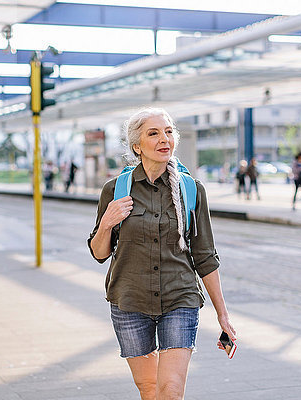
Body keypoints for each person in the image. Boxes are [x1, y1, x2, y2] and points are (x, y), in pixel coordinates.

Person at [88, 108, 236, 400]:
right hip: (130, 300)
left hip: (179, 298)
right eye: (153, 133)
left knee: (170, 390)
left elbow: (205, 255)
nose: (164, 139)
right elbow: (99, 253)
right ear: (137, 146)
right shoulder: (115, 190)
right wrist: (107, 222)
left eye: (168, 131)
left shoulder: (191, 190)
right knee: (149, 389)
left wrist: (223, 315)